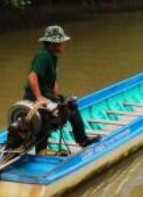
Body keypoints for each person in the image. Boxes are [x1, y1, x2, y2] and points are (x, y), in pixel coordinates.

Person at [22, 25, 99, 153]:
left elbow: (52, 79)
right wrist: (38, 97)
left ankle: (81, 139)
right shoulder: (43, 56)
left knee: (69, 105)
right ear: (54, 43)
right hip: (35, 99)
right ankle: (42, 150)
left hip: (47, 95)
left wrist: (58, 97)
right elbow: (33, 75)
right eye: (61, 42)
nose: (64, 44)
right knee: (55, 115)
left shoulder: (52, 57)